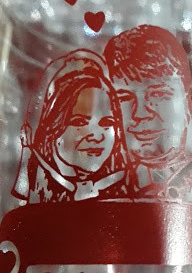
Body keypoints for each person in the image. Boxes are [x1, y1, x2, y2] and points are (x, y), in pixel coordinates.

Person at [104, 25, 192, 204]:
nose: (139, 114)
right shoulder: (111, 192)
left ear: (191, 100)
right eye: (124, 97)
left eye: (158, 95)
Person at [12, 49, 128, 203]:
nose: (95, 135)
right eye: (79, 122)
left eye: (107, 123)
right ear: (54, 126)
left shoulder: (122, 188)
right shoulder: (42, 184)